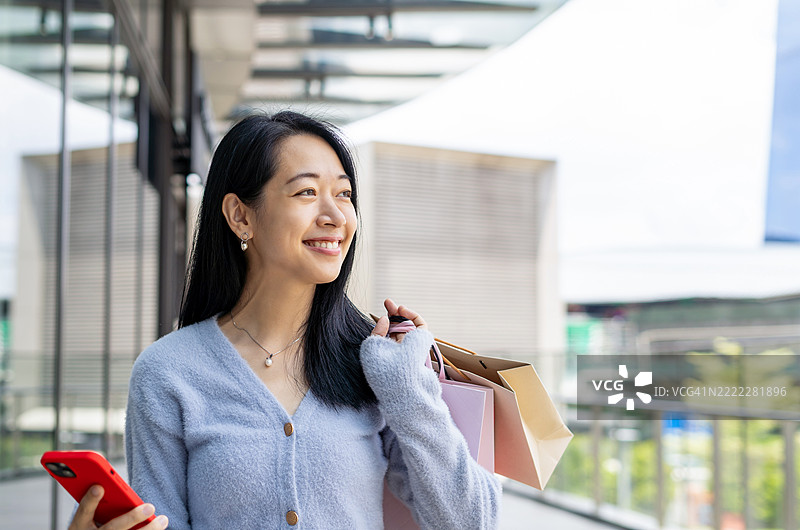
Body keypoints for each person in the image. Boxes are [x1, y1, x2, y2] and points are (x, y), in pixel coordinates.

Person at [69, 111, 501, 529]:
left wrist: (410, 395)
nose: (335, 216)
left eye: (344, 194)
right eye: (307, 193)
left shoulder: (378, 365)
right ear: (241, 216)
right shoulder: (167, 373)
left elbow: (474, 522)